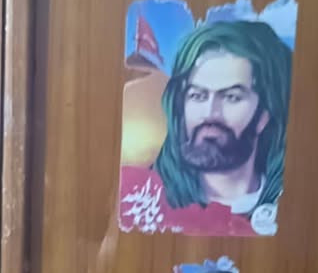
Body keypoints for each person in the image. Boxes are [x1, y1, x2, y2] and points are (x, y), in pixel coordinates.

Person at [120, 19, 292, 236]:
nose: (210, 113)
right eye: (198, 96)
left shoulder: (285, 207)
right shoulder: (141, 197)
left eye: (231, 97)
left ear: (264, 116)